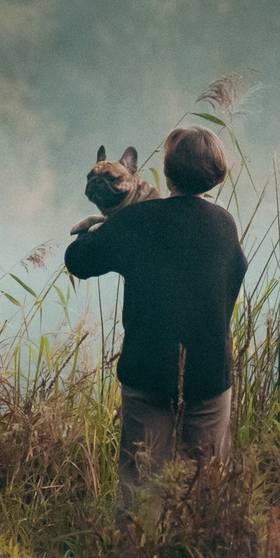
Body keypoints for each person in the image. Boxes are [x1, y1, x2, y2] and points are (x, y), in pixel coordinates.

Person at [63, 124, 248, 504]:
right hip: (209, 372)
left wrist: (93, 231)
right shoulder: (224, 224)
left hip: (147, 371)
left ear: (164, 172)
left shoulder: (136, 221)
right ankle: (200, 554)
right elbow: (237, 272)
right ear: (213, 175)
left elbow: (77, 262)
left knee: (140, 484)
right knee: (204, 485)